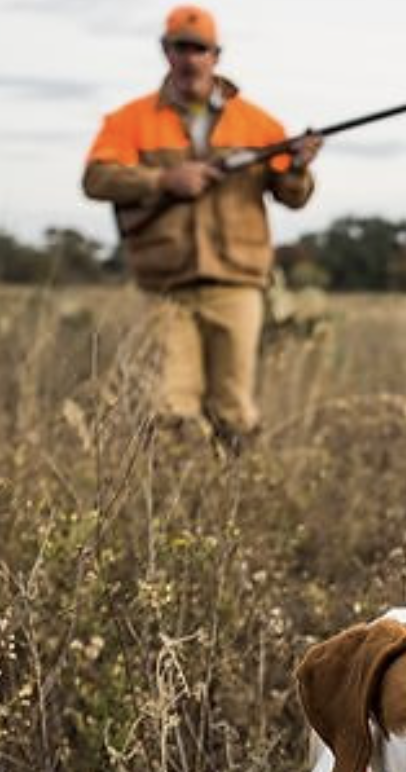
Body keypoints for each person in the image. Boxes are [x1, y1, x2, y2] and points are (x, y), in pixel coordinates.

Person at [84, 6, 320, 453]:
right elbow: (96, 179)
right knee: (167, 407)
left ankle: (234, 502)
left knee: (234, 410)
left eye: (200, 49)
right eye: (181, 48)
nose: (190, 59)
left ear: (217, 55)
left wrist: (300, 168)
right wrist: (162, 180)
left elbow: (293, 196)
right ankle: (177, 504)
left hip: (236, 283)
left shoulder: (257, 123)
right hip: (165, 286)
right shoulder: (129, 120)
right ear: (165, 52)